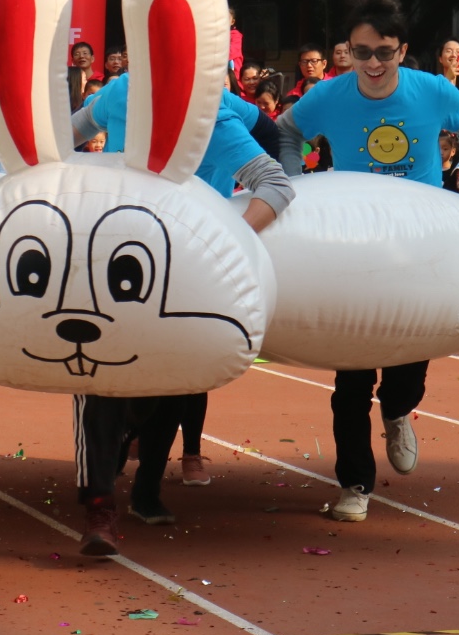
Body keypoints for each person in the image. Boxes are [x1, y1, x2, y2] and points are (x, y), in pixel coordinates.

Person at [275, 0, 459, 524]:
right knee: (351, 379)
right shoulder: (329, 95)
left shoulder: (432, 90)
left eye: (385, 52)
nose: (373, 64)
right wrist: (293, 185)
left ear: (403, 50)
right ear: (347, 51)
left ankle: (398, 412)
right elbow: (287, 131)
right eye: (362, 52)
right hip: (352, 248)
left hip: (420, 249)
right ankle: (354, 483)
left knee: (407, 366)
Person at [68, 72, 294, 554]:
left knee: (172, 387)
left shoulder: (208, 109)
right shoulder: (123, 89)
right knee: (97, 379)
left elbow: (274, 182)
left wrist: (228, 241)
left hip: (183, 272)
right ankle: (100, 504)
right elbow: (68, 135)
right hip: (113, 262)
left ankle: (147, 486)